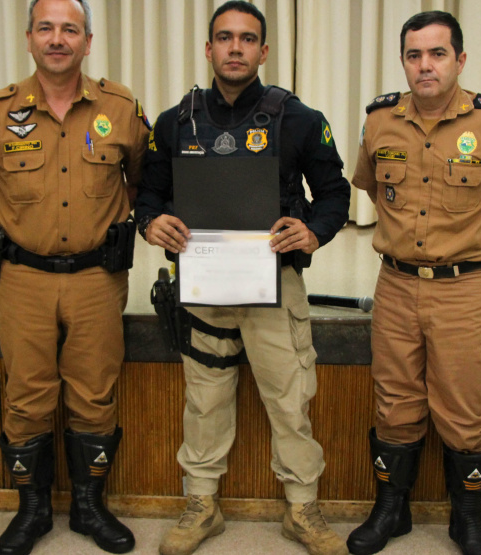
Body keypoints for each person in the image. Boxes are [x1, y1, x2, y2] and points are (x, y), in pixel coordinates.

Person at [135, 2, 351, 555]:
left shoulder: (299, 118)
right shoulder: (174, 121)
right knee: (205, 398)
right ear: (208, 49)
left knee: (289, 397)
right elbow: (149, 195)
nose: (235, 48)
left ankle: (302, 507)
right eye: (224, 39)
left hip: (273, 286)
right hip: (203, 289)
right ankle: (202, 503)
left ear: (263, 50)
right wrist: (152, 222)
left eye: (247, 39)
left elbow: (334, 196)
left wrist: (313, 233)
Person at [0, 1, 149, 554]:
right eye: (46, 28)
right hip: (23, 280)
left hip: (95, 280)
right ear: (29, 39)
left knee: (94, 394)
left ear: (88, 41)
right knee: (27, 396)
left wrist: (104, 224)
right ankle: (32, 510)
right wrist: (2, 232)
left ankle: (88, 506)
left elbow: (140, 182)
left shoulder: (121, 107)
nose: (57, 39)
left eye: (69, 29)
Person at [348, 10, 481, 555]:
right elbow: (370, 186)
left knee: (464, 408)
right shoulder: (380, 120)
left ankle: (467, 520)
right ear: (404, 62)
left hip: (466, 290)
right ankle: (392, 512)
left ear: (460, 60)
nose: (425, 65)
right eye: (414, 55)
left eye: (437, 54)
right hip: (396, 287)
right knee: (394, 402)